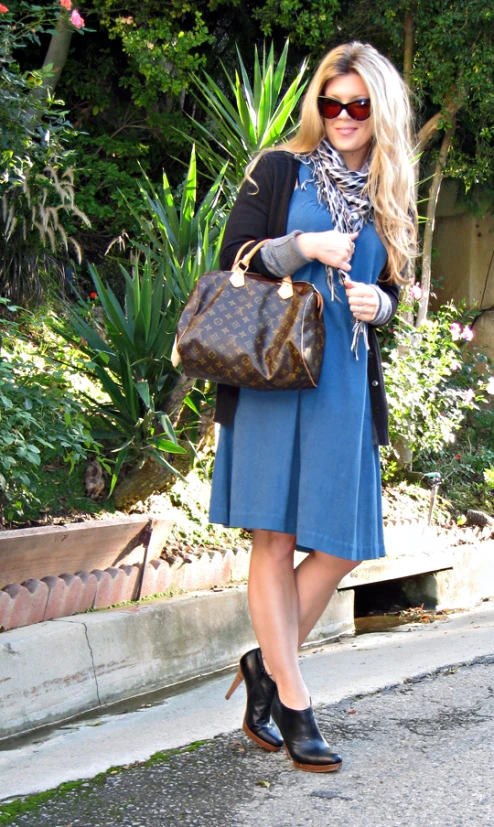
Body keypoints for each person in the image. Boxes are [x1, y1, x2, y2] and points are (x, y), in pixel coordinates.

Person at [210, 41, 417, 773]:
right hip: (273, 371)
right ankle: (295, 699)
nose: (344, 116)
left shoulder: (389, 191)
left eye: (359, 104)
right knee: (273, 536)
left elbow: (397, 285)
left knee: (345, 541)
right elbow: (232, 257)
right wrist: (303, 244)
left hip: (342, 383)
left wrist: (379, 300)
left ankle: (265, 662)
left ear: (379, 110)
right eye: (332, 103)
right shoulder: (278, 168)